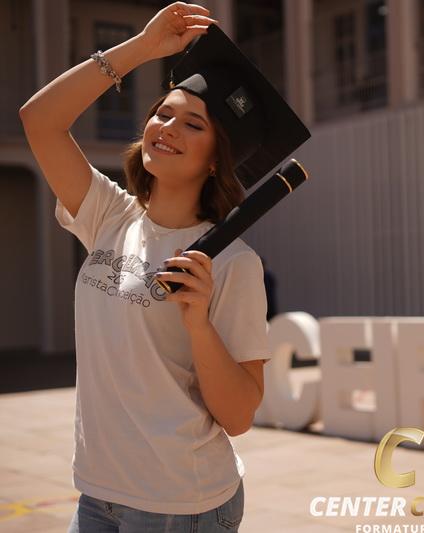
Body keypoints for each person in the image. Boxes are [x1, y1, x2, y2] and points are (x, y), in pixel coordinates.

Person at [19, 3, 307, 531]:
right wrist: (143, 48)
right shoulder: (109, 214)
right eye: (163, 113)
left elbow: (239, 416)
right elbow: (39, 121)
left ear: (216, 158)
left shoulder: (233, 262)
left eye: (192, 124)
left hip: (180, 503)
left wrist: (198, 323)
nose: (167, 128)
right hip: (96, 491)